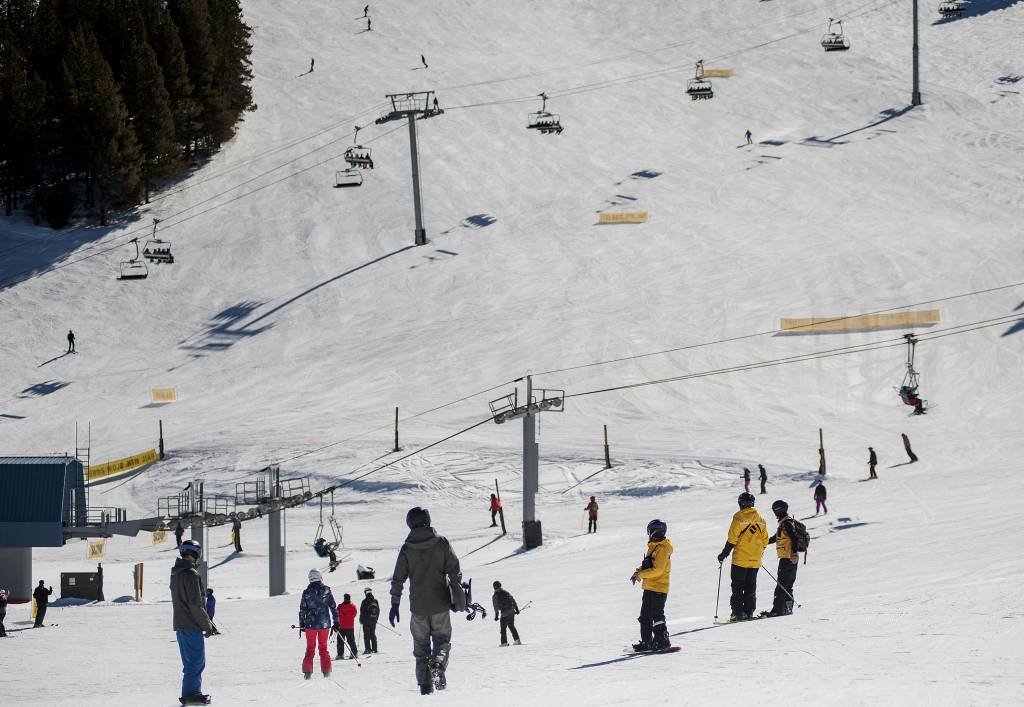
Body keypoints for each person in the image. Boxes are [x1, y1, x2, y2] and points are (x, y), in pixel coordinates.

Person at [389, 506, 466, 695]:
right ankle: (438, 665)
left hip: (418, 608)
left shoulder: (407, 549)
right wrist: (458, 593)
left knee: (421, 648)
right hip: (440, 603)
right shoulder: (441, 543)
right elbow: (454, 570)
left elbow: (398, 578)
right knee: (442, 640)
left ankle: (425, 686)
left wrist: (395, 604)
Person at [170, 539, 215, 705]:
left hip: (181, 624)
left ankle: (191, 692)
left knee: (190, 662)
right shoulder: (190, 573)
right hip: (191, 624)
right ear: (196, 554)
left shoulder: (176, 572)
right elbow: (195, 603)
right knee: (196, 662)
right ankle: (192, 694)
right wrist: (207, 624)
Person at [717, 493, 768, 621]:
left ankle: (738, 613)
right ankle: (749, 612)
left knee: (738, 586)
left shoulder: (738, 517)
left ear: (741, 503)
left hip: (740, 559)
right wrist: (756, 552)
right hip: (755, 560)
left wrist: (724, 554)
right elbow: (765, 541)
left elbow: (732, 539)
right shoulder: (761, 519)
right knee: (751, 586)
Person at [630, 519, 673, 652]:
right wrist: (637, 572)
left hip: (659, 587)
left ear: (654, 531)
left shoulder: (663, 548)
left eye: (649, 531)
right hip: (649, 587)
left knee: (657, 615)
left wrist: (641, 575)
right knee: (645, 616)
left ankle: (662, 641)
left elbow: (658, 570)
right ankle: (646, 642)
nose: (648, 534)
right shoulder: (653, 547)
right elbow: (648, 565)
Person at [299, 569, 337, 679]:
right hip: (324, 624)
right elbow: (333, 608)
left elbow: (303, 610)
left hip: (310, 624)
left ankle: (307, 672)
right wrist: (336, 622)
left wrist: (302, 623)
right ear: (320, 577)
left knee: (310, 648)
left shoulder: (306, 592)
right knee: (323, 648)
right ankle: (326, 672)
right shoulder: (326, 590)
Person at [767, 500, 799, 616]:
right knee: (787, 585)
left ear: (778, 510)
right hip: (789, 557)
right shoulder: (785, 523)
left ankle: (777, 610)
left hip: (788, 558)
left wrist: (794, 554)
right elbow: (776, 538)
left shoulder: (786, 523)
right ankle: (787, 608)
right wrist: (763, 542)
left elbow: (794, 538)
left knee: (781, 585)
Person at [491, 581, 521, 646]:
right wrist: (517, 609)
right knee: (511, 626)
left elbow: (495, 607)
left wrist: (496, 616)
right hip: (511, 612)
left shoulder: (495, 596)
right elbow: (513, 600)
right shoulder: (506, 592)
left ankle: (504, 643)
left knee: (503, 629)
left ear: (494, 587)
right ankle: (517, 640)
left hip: (504, 614)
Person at [336, 593, 358, 659]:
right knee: (351, 641)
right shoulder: (353, 606)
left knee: (340, 641)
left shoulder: (340, 606)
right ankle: (354, 653)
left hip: (341, 626)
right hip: (350, 627)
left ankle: (340, 654)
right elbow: (354, 614)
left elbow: (337, 614)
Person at [360, 587, 380, 653]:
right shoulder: (375, 601)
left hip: (366, 621)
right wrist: (376, 619)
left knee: (366, 635)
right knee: (373, 634)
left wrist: (361, 619)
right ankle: (375, 649)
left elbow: (362, 611)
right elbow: (378, 611)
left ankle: (368, 649)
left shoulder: (364, 601)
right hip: (373, 620)